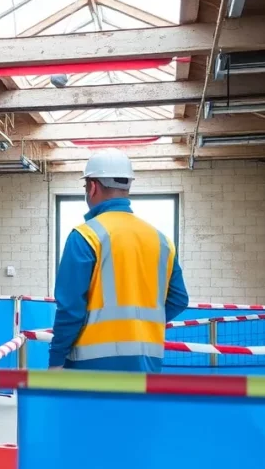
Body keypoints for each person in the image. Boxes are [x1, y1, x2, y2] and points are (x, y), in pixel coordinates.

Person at [48, 148, 188, 373]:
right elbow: (179, 299)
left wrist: (56, 360)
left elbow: (70, 308)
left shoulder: (86, 236)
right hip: (147, 362)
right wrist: (140, 326)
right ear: (127, 187)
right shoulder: (161, 240)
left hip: (90, 365)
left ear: (92, 187)